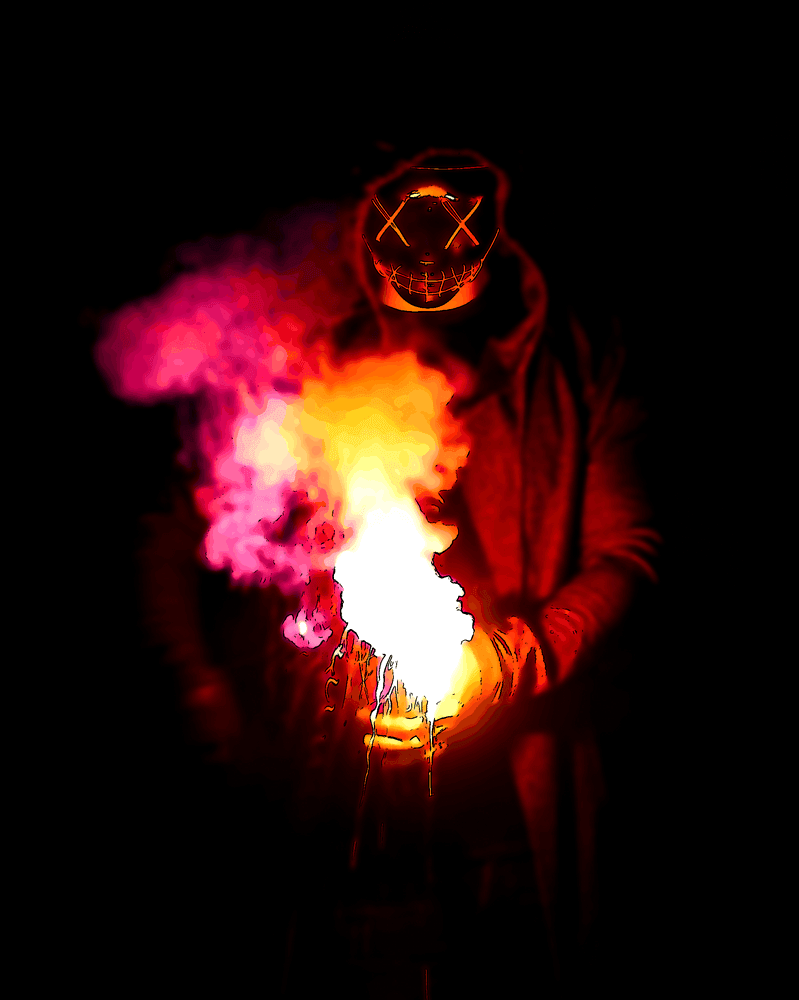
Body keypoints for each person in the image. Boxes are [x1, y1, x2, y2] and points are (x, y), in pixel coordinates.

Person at [129, 146, 660, 993]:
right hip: (317, 814)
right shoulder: (307, 355)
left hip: (513, 816)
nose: (429, 351)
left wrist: (499, 667)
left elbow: (629, 554)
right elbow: (169, 524)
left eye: (451, 325)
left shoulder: (579, 360)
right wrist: (196, 681)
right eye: (404, 317)